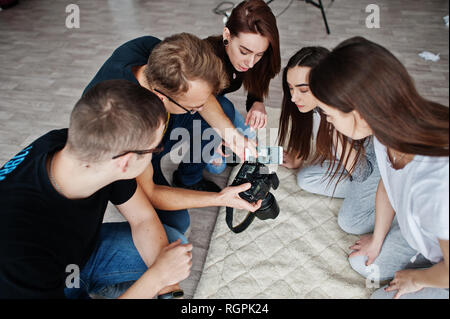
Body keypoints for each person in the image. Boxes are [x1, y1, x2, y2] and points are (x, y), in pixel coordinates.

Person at [0, 80, 192, 299]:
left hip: (76, 257)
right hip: (33, 276)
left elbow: (143, 218)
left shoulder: (93, 148)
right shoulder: (16, 250)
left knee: (173, 248)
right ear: (126, 162)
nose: (155, 154)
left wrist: (168, 286)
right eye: (155, 148)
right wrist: (157, 278)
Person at [309, 36, 449, 299]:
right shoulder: (388, 134)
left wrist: (416, 278)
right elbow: (389, 183)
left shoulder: (436, 182)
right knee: (364, 262)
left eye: (329, 116)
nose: (327, 122)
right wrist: (377, 239)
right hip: (433, 242)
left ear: (360, 113)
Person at [84, 33, 261, 237]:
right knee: (177, 222)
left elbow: (199, 93)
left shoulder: (153, 51)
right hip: (128, 151)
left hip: (154, 128)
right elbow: (151, 192)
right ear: (161, 98)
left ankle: (188, 178)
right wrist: (219, 198)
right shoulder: (126, 123)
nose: (203, 108)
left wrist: (231, 135)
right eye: (195, 107)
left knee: (222, 108)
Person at [278, 47, 381, 233]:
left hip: (374, 169)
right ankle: (371, 197)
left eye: (302, 89)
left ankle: (394, 202)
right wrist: (297, 157)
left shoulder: (350, 111)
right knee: (305, 178)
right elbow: (304, 131)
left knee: (350, 222)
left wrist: (333, 123)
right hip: (356, 166)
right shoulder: (315, 107)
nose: (293, 97)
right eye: (291, 88)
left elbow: (363, 173)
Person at [204, 0, 281, 173]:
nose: (251, 62)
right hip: (192, 109)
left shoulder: (254, 61)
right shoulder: (205, 58)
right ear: (227, 35)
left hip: (218, 102)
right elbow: (191, 105)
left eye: (259, 54)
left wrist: (257, 101)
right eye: (244, 52)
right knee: (218, 167)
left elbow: (258, 77)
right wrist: (214, 137)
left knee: (252, 144)